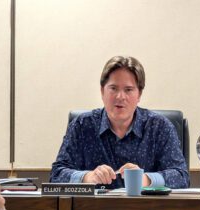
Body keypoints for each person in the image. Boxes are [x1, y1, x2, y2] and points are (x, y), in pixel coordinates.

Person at [50, 56, 189, 189]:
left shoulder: (159, 127)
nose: (120, 97)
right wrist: (88, 177)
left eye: (128, 90)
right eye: (113, 88)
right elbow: (56, 175)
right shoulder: (82, 125)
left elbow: (182, 177)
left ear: (139, 94)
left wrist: (145, 179)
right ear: (102, 91)